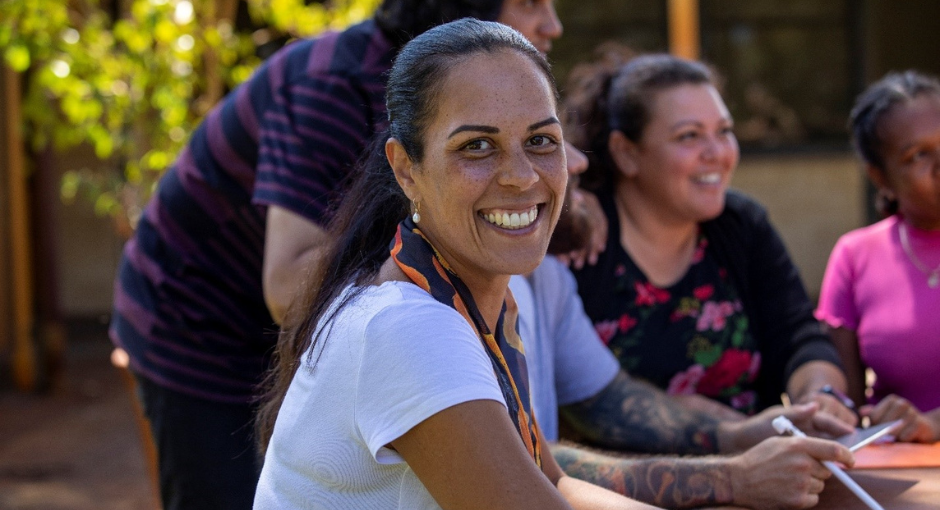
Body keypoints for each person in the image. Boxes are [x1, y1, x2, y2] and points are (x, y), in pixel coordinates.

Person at [108, 1, 563, 508]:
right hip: (193, 322)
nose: (552, 24)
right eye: (530, 2)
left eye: (542, 141)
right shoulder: (330, 85)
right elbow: (286, 287)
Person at [253, 18, 657, 510]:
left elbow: (554, 485)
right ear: (406, 169)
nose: (521, 176)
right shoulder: (407, 329)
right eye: (476, 146)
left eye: (540, 140)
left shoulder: (475, 302)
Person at [517, 146, 856, 509]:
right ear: (626, 153)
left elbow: (608, 400)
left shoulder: (545, 274)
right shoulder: (455, 306)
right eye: (541, 138)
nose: (580, 160)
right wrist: (734, 477)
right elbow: (532, 465)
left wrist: (736, 436)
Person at [561, 50, 856, 422]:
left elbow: (798, 336)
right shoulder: (583, 238)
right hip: (626, 476)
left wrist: (819, 396)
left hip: (762, 466)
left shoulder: (740, 225)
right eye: (689, 136)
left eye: (724, 132)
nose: (717, 153)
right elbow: (570, 399)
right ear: (626, 153)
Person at [815, 70, 940, 443]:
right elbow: (846, 410)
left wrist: (933, 425)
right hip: (906, 478)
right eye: (918, 155)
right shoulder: (856, 256)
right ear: (880, 176)